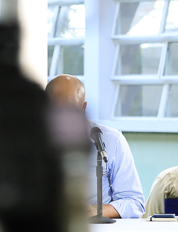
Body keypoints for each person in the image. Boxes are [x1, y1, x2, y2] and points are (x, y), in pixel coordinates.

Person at [45, 75, 144, 219]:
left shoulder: (111, 140)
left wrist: (97, 211)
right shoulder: (27, 142)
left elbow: (135, 203)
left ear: (83, 108)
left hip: (97, 229)